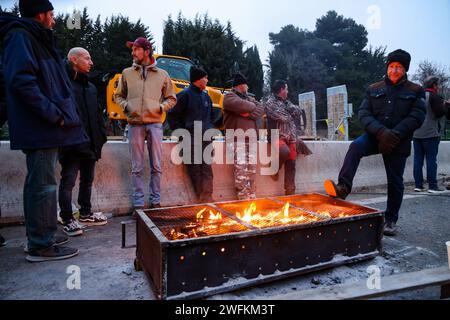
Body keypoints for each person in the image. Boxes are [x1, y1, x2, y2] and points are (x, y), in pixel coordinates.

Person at [0, 0, 89, 261]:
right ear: (40, 14)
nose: (54, 19)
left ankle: (44, 234)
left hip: (45, 127)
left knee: (43, 183)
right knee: (43, 185)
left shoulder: (35, 37)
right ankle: (40, 244)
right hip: (40, 126)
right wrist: (54, 115)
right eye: (51, 13)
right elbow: (21, 81)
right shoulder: (20, 36)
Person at [324, 49, 426, 237]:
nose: (394, 70)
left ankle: (390, 220)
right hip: (375, 136)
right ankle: (343, 187)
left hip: (398, 140)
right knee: (355, 147)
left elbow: (417, 117)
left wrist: (394, 134)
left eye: (399, 67)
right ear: (387, 67)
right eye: (392, 66)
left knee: (395, 181)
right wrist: (381, 132)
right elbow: (364, 113)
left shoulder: (415, 91)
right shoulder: (374, 88)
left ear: (405, 70)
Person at [114, 37, 177, 209]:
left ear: (146, 51)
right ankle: (138, 205)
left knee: (156, 166)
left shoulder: (162, 75)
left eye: (136, 49)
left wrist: (160, 107)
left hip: (155, 124)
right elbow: (118, 95)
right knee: (136, 167)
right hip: (134, 124)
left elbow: (172, 98)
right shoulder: (127, 73)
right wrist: (126, 106)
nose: (133, 53)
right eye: (132, 49)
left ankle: (155, 202)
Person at [58, 48, 108, 237]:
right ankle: (68, 218)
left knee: (87, 180)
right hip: (71, 143)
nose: (91, 62)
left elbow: (96, 115)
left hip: (91, 144)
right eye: (87, 58)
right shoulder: (63, 84)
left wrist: (101, 137)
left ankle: (85, 213)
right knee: (68, 181)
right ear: (74, 59)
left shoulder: (91, 87)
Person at [167, 67, 218, 203]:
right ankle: (202, 199)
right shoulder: (184, 95)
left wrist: (209, 130)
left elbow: (211, 117)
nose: (207, 80)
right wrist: (181, 134)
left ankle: (208, 197)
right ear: (197, 79)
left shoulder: (206, 96)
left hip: (206, 140)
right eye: (205, 78)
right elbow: (172, 116)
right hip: (190, 140)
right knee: (195, 170)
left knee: (207, 169)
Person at [264, 80, 312, 195]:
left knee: (291, 162)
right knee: (284, 152)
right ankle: (273, 169)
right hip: (277, 135)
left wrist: (291, 110)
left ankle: (290, 192)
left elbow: (298, 111)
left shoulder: (285, 102)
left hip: (291, 135)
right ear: (281, 90)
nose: (288, 91)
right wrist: (291, 111)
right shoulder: (270, 102)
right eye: (286, 89)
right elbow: (283, 117)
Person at [223, 73, 264, 200]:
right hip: (236, 139)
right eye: (246, 84)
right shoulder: (229, 97)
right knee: (241, 170)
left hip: (251, 139)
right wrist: (251, 108)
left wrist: (248, 113)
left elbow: (261, 108)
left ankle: (252, 196)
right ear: (241, 85)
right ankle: (243, 198)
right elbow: (242, 105)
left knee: (252, 170)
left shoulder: (249, 98)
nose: (248, 87)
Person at [413, 76, 450, 193]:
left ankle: (418, 185)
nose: (438, 87)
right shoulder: (434, 96)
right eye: (437, 85)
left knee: (417, 159)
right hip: (431, 133)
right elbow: (439, 113)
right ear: (434, 85)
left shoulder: (417, 96)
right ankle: (432, 186)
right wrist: (446, 105)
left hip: (416, 133)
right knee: (431, 159)